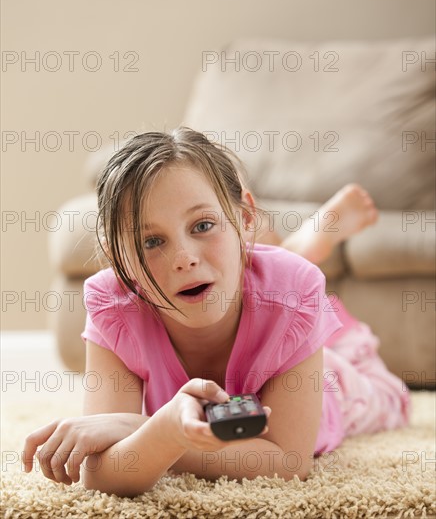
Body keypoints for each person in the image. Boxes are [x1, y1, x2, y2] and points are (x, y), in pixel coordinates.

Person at [22, 128, 410, 498]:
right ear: (116, 256)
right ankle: (285, 254)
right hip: (268, 301)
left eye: (203, 225)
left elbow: (288, 460)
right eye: (152, 241)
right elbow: (100, 472)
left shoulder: (294, 294)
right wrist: (166, 431)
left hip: (327, 375)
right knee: (268, 287)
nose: (184, 259)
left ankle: (297, 253)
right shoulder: (115, 305)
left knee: (390, 395)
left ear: (244, 218)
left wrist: (148, 430)